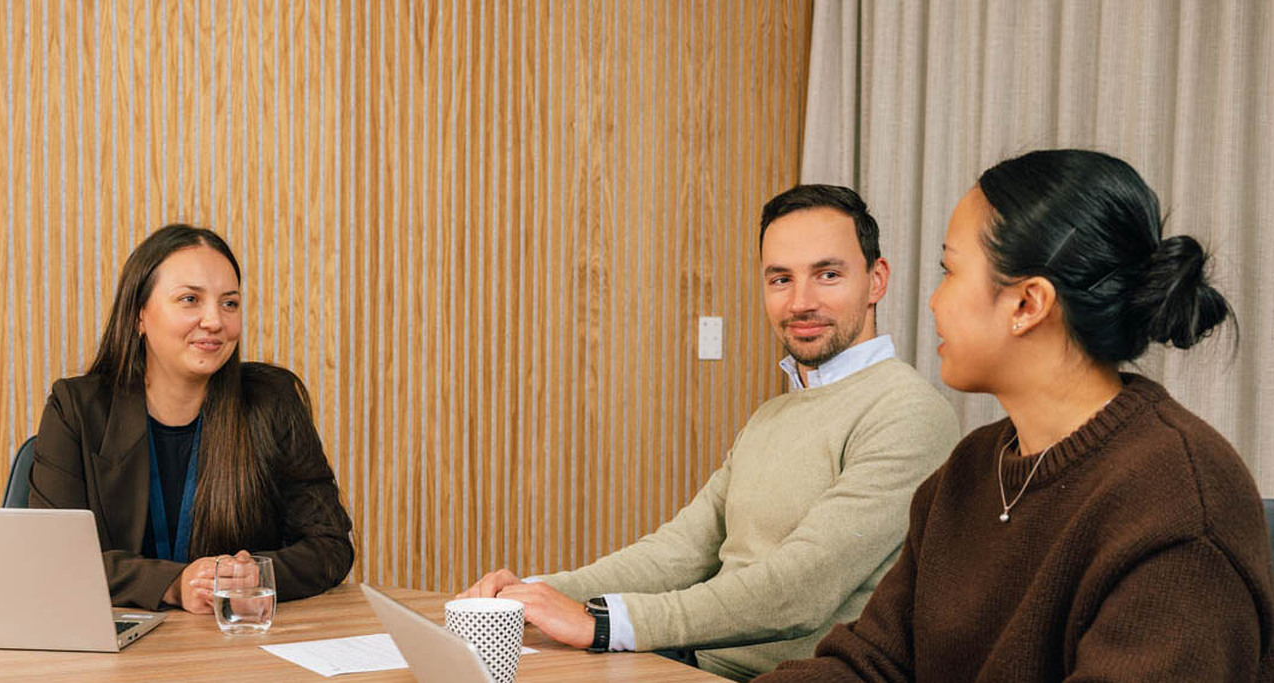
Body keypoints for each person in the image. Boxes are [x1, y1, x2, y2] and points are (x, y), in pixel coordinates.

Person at [760, 150, 1274, 681]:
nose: (934, 301)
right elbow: (872, 663)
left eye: (949, 271)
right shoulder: (969, 469)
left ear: (1028, 304)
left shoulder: (1180, 505)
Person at [461, 185, 960, 680]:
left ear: (876, 280)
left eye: (827, 275)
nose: (801, 301)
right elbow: (680, 551)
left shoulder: (908, 411)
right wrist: (532, 594)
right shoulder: (772, 415)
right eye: (781, 279)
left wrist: (603, 624)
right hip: (696, 664)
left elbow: (798, 591)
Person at [29, 224, 354, 612]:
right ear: (139, 316)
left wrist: (257, 575)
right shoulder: (77, 408)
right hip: (116, 639)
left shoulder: (272, 400)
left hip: (233, 639)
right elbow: (51, 558)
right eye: (190, 300)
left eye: (229, 303)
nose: (215, 321)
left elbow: (330, 545)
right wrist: (172, 584)